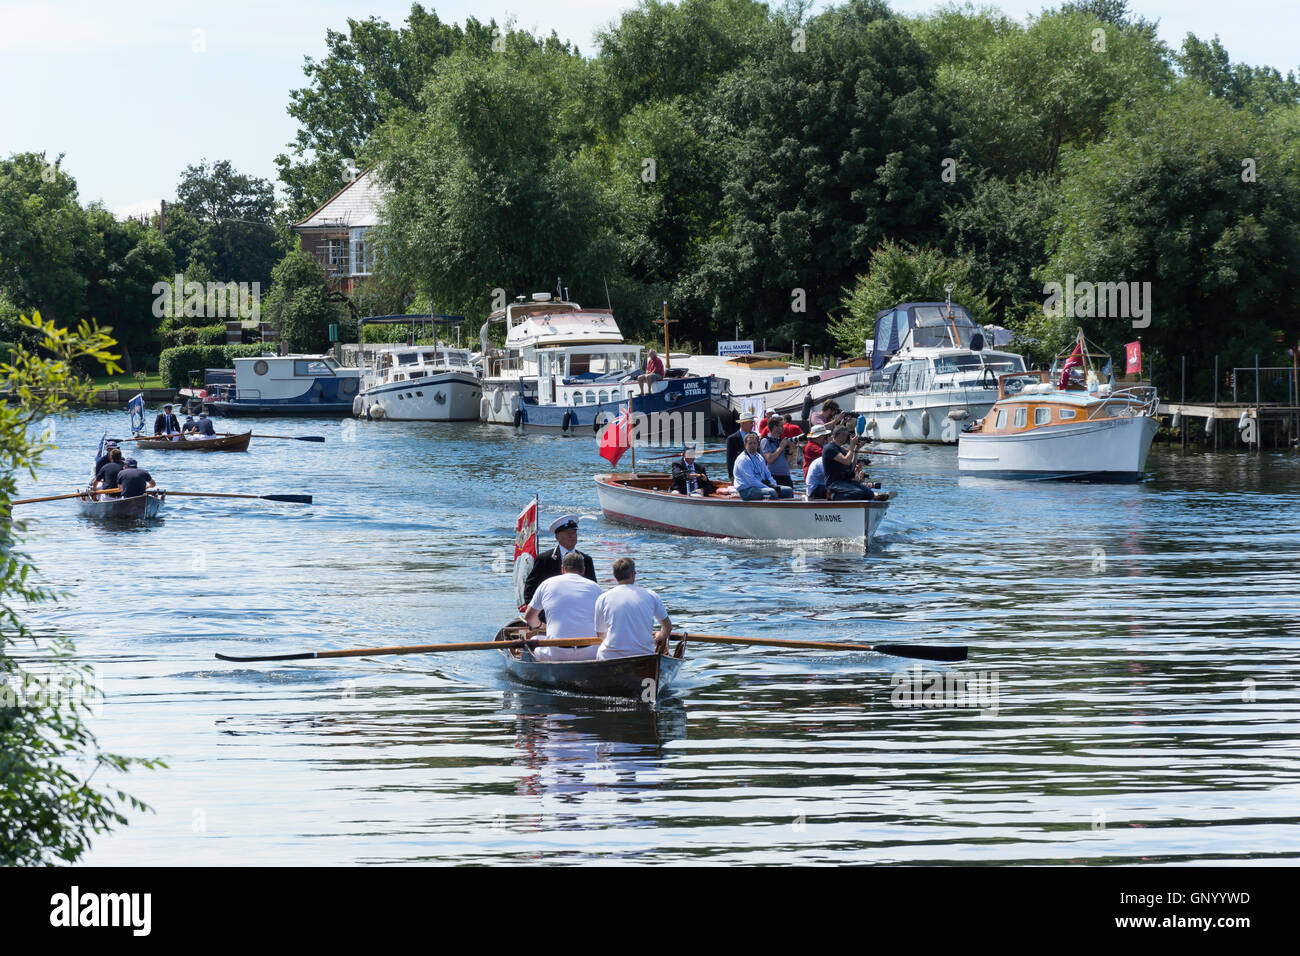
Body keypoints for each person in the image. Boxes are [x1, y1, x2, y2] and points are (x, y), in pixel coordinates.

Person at [524, 551, 602, 661]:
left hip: (557, 653)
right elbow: (603, 624)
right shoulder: (596, 588)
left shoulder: (547, 584)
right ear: (583, 570)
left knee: (534, 638)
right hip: (590, 652)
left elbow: (529, 618)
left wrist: (540, 626)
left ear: (562, 569)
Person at [594, 557, 673, 660]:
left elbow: (600, 634)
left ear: (615, 576)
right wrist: (660, 636)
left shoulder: (603, 598)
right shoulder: (651, 595)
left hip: (610, 656)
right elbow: (667, 627)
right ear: (632, 574)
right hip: (645, 656)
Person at [522, 514, 597, 605]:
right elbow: (530, 587)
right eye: (568, 533)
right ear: (557, 537)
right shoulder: (545, 559)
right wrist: (538, 613)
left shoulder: (586, 560)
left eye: (574, 532)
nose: (572, 536)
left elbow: (593, 589)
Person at [821, 425, 879, 500]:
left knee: (869, 494)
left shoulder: (842, 450)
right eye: (846, 435)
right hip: (834, 483)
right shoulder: (829, 448)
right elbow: (846, 461)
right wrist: (851, 446)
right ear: (840, 435)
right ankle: (832, 496)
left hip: (845, 481)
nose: (847, 438)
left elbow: (851, 467)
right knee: (857, 493)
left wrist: (856, 449)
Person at [733, 431, 794, 500]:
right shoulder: (743, 459)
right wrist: (769, 487)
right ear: (745, 444)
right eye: (750, 443)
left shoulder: (759, 457)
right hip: (747, 490)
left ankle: (786, 509)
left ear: (757, 445)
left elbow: (768, 474)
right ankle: (774, 510)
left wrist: (774, 485)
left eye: (754, 443)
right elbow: (752, 481)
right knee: (771, 492)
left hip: (760, 486)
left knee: (788, 490)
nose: (752, 445)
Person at [758, 414, 797, 489]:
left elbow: (786, 462)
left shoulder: (780, 441)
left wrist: (790, 451)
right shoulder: (765, 440)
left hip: (785, 476)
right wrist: (781, 447)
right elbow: (770, 459)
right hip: (773, 476)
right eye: (781, 426)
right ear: (775, 427)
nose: (783, 428)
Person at [726, 413, 756, 481]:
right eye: (751, 423)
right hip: (739, 474)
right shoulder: (732, 439)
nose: (752, 425)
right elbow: (729, 459)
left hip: (753, 473)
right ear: (743, 423)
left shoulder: (755, 435)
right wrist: (731, 476)